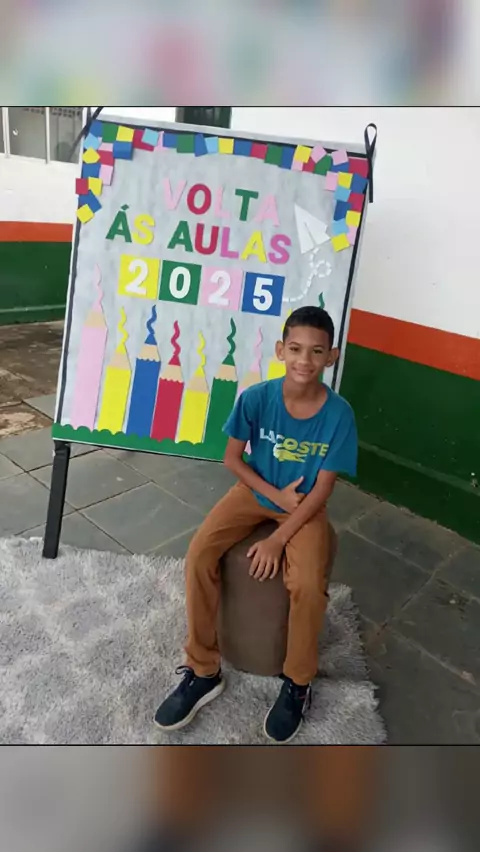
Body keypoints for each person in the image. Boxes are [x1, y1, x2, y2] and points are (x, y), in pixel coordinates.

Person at [154, 306, 358, 744]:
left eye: (317, 351)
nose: (305, 360)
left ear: (332, 357)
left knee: (307, 584)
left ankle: (297, 683)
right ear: (281, 350)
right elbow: (232, 458)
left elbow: (323, 490)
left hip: (303, 507)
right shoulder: (257, 398)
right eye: (296, 349)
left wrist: (280, 537)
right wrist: (272, 493)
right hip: (254, 490)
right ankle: (203, 670)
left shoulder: (339, 415)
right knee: (199, 555)